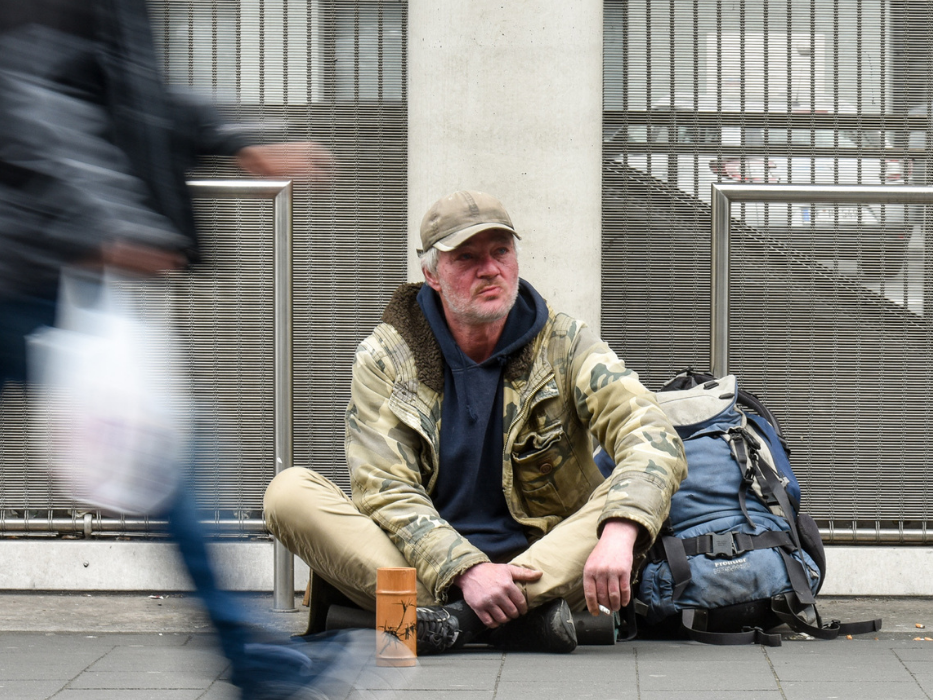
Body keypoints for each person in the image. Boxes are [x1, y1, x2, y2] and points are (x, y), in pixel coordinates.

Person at [0, 3, 335, 698]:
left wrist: (235, 134)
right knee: (166, 452)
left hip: (52, 259)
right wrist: (110, 221)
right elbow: (29, 95)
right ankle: (259, 666)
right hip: (32, 259)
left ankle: (259, 665)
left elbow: (126, 84)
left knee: (168, 452)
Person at [264, 189, 688, 654]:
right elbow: (386, 491)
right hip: (422, 562)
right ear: (431, 275)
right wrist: (466, 570)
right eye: (466, 258)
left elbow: (652, 434)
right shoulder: (387, 356)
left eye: (501, 252)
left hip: (541, 561)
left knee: (637, 487)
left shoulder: (565, 343)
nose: (490, 270)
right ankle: (507, 618)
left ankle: (444, 623)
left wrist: (619, 533)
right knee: (289, 492)